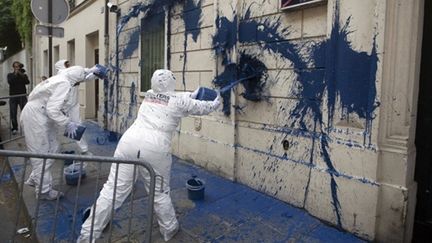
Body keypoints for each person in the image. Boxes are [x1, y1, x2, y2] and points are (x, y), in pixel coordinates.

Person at [78, 69, 220, 242]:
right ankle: (169, 229)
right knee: (159, 192)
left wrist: (194, 93)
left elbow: (174, 96)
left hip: (128, 143)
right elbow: (203, 107)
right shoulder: (178, 102)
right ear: (170, 82)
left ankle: (87, 234)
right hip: (154, 148)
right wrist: (217, 100)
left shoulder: (150, 95)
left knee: (112, 190)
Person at [21, 66, 98, 200]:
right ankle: (43, 191)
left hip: (42, 116)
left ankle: (35, 178)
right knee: (41, 153)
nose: (77, 85)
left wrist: (93, 71)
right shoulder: (64, 83)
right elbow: (52, 110)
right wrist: (67, 123)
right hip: (36, 117)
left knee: (54, 148)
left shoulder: (63, 76)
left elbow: (81, 74)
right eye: (77, 83)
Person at [54, 59, 98, 155]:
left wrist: (96, 74)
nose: (69, 66)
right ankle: (50, 151)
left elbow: (85, 77)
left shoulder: (70, 75)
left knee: (77, 126)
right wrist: (91, 70)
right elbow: (80, 72)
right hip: (60, 108)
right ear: (61, 66)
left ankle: (84, 150)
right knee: (53, 129)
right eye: (67, 65)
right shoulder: (62, 76)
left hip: (72, 105)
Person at [7, 61, 30, 134]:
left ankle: (26, 127)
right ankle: (15, 128)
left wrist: (20, 74)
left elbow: (27, 82)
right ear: (13, 67)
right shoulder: (10, 75)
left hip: (22, 96)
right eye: (15, 66)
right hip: (13, 97)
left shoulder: (23, 75)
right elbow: (10, 82)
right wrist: (15, 74)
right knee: (13, 113)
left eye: (18, 66)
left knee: (25, 112)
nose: (17, 68)